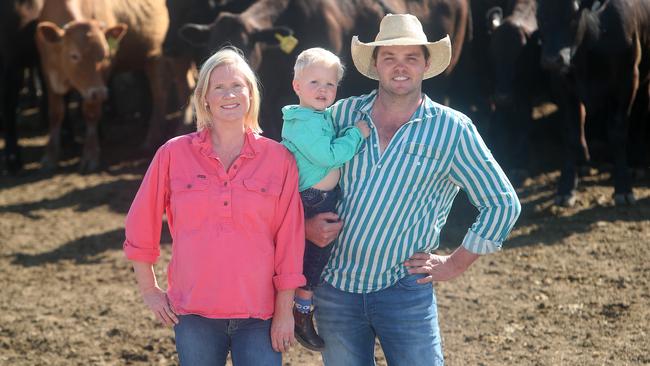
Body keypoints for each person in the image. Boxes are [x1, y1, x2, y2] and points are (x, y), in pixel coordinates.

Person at [305, 14, 522, 365]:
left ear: (425, 65)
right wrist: (305, 226)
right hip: (335, 288)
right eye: (389, 57)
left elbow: (502, 203)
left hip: (404, 290)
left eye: (411, 58)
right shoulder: (341, 114)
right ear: (375, 65)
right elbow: (295, 172)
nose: (400, 67)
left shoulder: (452, 130)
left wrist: (454, 264)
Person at [123, 47, 306, 366]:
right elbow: (141, 222)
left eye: (238, 86)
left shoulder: (279, 160)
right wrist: (149, 289)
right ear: (204, 97)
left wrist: (284, 311)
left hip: (260, 315)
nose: (229, 94)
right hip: (194, 314)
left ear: (251, 94)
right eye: (219, 87)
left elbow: (290, 241)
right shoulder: (173, 154)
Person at [280, 47, 371, 351]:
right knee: (316, 253)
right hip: (312, 199)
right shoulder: (301, 122)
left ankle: (300, 301)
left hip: (323, 196)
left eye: (330, 84)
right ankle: (301, 308)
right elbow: (328, 154)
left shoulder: (318, 117)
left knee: (319, 251)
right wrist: (356, 134)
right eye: (314, 83)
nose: (323, 90)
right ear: (296, 86)